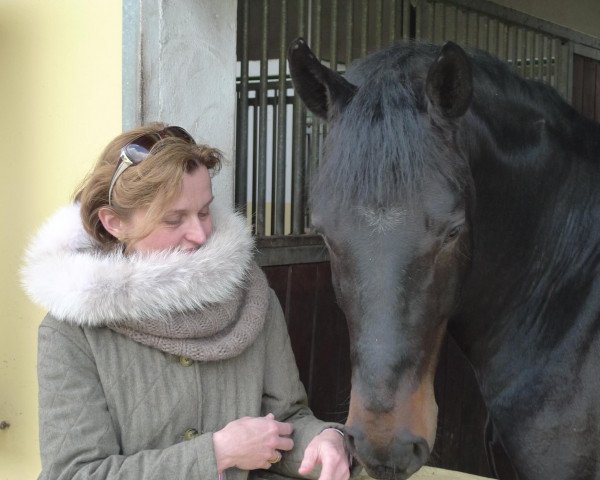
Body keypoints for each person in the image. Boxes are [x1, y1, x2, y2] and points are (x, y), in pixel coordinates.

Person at [21, 124, 354, 480]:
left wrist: (323, 439)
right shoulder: (72, 331)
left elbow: (285, 422)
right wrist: (217, 453)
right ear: (115, 222)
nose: (199, 234)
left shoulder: (252, 298)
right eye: (174, 219)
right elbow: (73, 473)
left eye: (205, 212)